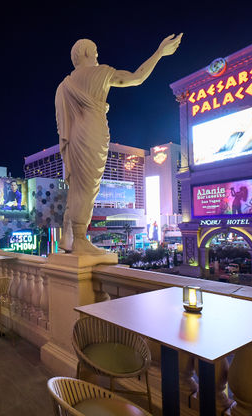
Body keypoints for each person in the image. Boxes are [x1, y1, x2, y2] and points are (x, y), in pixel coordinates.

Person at [55, 33, 182, 255]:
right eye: (95, 52)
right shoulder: (100, 73)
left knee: (78, 184)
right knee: (89, 186)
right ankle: (79, 238)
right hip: (92, 132)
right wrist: (160, 53)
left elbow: (62, 123)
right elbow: (137, 77)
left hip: (75, 136)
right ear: (86, 53)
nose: (97, 56)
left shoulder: (63, 86)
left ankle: (68, 239)